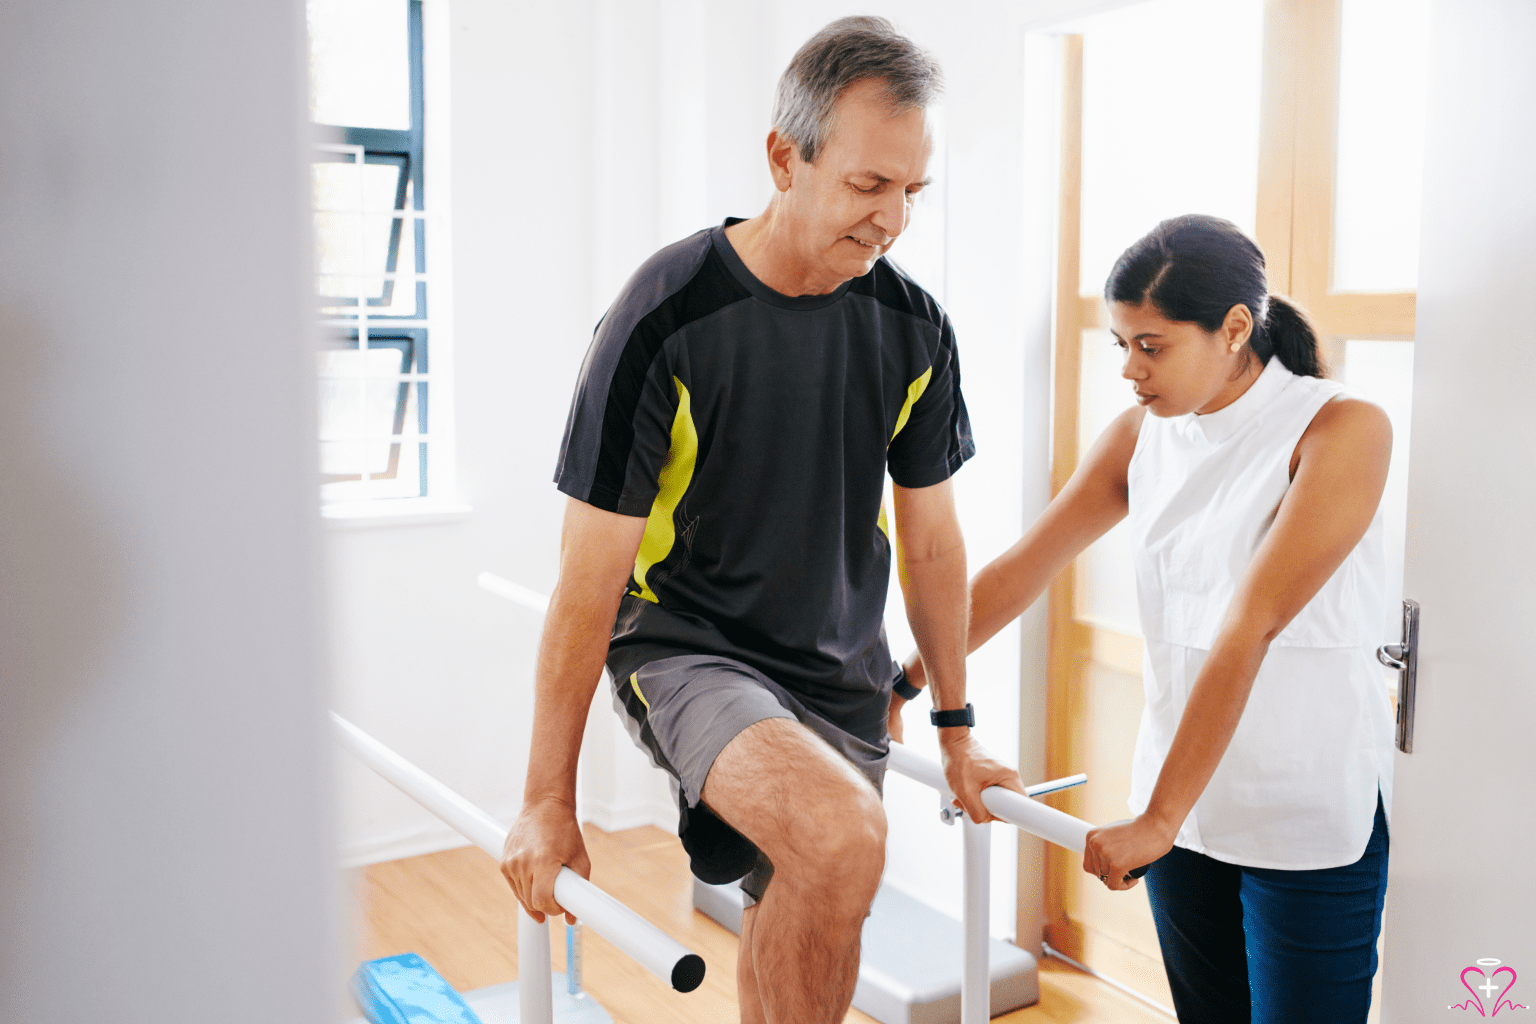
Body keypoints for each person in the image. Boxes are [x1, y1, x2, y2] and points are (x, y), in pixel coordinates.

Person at [499, 17, 1025, 1024]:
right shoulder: (668, 313)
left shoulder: (913, 329)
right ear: (785, 157)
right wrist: (546, 798)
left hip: (837, 667)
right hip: (686, 645)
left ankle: (738, 834)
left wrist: (957, 724)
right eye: (869, 186)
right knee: (844, 836)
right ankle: (718, 804)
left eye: (913, 192)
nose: (892, 220)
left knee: (806, 900)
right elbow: (589, 570)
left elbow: (931, 541)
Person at [895, 215, 1394, 1023]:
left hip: (1299, 814)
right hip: (1183, 806)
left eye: (1151, 346)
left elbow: (1250, 625)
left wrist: (1156, 819)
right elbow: (1024, 570)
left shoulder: (1340, 428)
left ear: (1235, 329)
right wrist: (906, 679)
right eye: (1120, 344)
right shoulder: (1142, 436)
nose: (1129, 369)